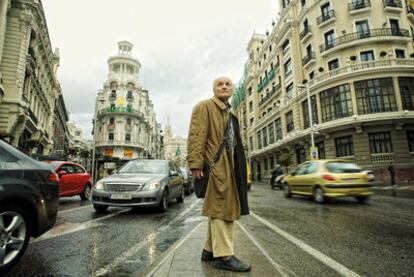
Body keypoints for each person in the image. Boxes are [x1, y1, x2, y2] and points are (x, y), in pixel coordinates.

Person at [187, 76, 251, 272]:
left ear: (232, 89)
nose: (224, 87)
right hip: (215, 166)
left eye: (227, 84)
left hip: (230, 167)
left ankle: (209, 250)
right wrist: (195, 164)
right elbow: (196, 136)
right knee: (223, 209)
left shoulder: (230, 114)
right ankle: (224, 255)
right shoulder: (204, 107)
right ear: (214, 89)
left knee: (220, 206)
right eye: (219, 84)